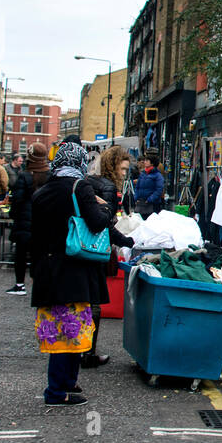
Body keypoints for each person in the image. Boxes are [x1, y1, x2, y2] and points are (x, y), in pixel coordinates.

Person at [29, 141, 131, 405]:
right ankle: (57, 391)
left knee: (62, 329)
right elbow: (98, 224)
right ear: (78, 162)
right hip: (73, 269)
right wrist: (105, 209)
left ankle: (67, 384)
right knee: (71, 329)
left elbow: (34, 237)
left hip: (48, 270)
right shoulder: (80, 187)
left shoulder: (42, 191)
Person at [80, 145, 132, 367]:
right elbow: (105, 224)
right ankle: (88, 353)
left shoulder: (88, 181)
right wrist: (128, 241)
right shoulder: (109, 188)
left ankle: (80, 349)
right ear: (113, 167)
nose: (124, 174)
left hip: (82, 248)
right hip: (97, 251)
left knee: (83, 302)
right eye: (122, 169)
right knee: (95, 304)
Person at [5, 154, 36, 296]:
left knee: (21, 254)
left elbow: (17, 199)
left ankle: (20, 284)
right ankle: (38, 286)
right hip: (40, 220)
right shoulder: (49, 176)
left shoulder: (24, 176)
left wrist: (13, 215)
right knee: (39, 254)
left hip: (24, 218)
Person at [135, 153, 164, 218]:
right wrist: (136, 197)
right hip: (141, 204)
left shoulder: (157, 175)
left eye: (147, 161)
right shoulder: (143, 174)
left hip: (152, 205)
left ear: (152, 163)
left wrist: (149, 199)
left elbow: (159, 190)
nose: (144, 162)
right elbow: (137, 187)